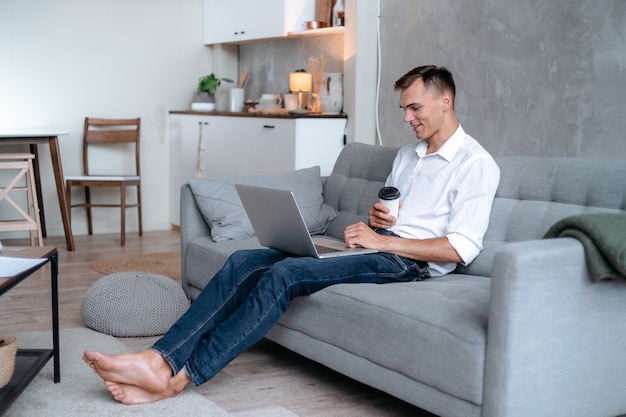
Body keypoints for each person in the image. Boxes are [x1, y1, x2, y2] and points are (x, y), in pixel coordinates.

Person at [83, 65, 500, 405]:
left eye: (414, 108)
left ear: (445, 100)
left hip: (410, 265)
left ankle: (184, 376)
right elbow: (405, 213)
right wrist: (379, 221)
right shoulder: (410, 155)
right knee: (245, 260)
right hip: (381, 246)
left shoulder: (475, 164)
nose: (407, 119)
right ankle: (160, 358)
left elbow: (459, 248)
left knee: (284, 275)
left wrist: (385, 242)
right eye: (403, 110)